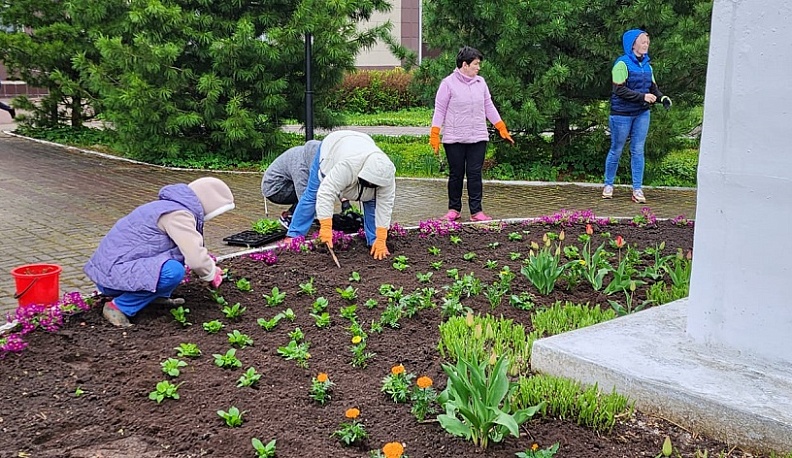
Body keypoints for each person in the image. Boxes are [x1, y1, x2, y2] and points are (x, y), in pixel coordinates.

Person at [84, 177, 235, 327]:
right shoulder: (178, 215)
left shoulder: (166, 207)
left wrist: (209, 268)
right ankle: (118, 307)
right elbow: (195, 258)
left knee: (171, 262)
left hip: (110, 272)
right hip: (113, 278)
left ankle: (154, 297)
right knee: (173, 272)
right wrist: (210, 274)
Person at [429, 45, 514, 222]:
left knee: (475, 174)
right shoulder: (448, 84)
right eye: (475, 64)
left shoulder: (480, 82)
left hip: (478, 138)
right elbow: (440, 110)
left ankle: (477, 211)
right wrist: (435, 134)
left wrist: (501, 127)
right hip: (454, 139)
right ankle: (454, 209)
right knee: (456, 174)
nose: (478, 67)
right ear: (465, 64)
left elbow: (488, 106)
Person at [285, 130, 395, 260]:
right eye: (368, 182)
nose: (370, 186)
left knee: (372, 202)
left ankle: (374, 242)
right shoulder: (347, 166)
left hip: (362, 142)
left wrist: (381, 237)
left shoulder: (387, 175)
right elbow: (326, 193)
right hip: (333, 147)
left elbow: (385, 205)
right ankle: (294, 236)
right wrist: (326, 227)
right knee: (313, 194)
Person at [602, 29, 672, 203]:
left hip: (641, 114)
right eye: (642, 41)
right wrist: (642, 97)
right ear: (632, 44)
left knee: (638, 150)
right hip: (621, 115)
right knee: (616, 150)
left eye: (647, 41)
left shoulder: (647, 66)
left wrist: (662, 98)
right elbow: (619, 89)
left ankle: (637, 189)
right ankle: (608, 185)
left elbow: (652, 88)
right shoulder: (621, 64)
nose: (646, 44)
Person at [261, 140, 351, 228]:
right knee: (314, 191)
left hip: (288, 182)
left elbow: (331, 177)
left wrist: (345, 200)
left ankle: (289, 214)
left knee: (319, 187)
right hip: (274, 189)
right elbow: (305, 197)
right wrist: (322, 220)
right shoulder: (300, 166)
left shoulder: (321, 154)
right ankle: (289, 218)